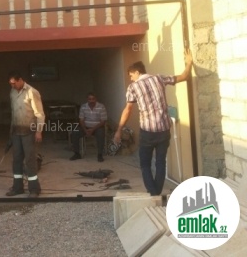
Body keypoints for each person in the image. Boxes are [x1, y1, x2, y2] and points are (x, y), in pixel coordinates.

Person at [114, 49, 193, 196]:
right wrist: (189, 63)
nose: (131, 79)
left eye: (131, 75)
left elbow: (128, 109)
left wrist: (119, 129)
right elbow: (183, 77)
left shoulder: (133, 87)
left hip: (147, 132)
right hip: (164, 130)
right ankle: (156, 192)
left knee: (145, 164)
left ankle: (153, 193)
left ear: (137, 72)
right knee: (160, 162)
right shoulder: (160, 78)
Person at [6, 71, 45, 198]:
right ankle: (17, 188)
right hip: (16, 131)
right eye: (10, 84)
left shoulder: (32, 92)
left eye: (14, 83)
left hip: (29, 131)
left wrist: (38, 131)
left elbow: (40, 114)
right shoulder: (12, 92)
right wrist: (11, 132)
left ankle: (34, 189)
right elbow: (13, 113)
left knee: (30, 160)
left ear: (20, 80)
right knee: (16, 160)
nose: (12, 86)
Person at [69, 92, 108, 162]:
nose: (91, 101)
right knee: (75, 132)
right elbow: (81, 120)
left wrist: (92, 129)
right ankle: (77, 154)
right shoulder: (83, 107)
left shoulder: (101, 107)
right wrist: (85, 130)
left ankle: (100, 154)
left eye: (93, 99)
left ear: (96, 99)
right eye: (90, 99)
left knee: (101, 133)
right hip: (85, 127)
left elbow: (103, 121)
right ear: (87, 99)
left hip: (97, 127)